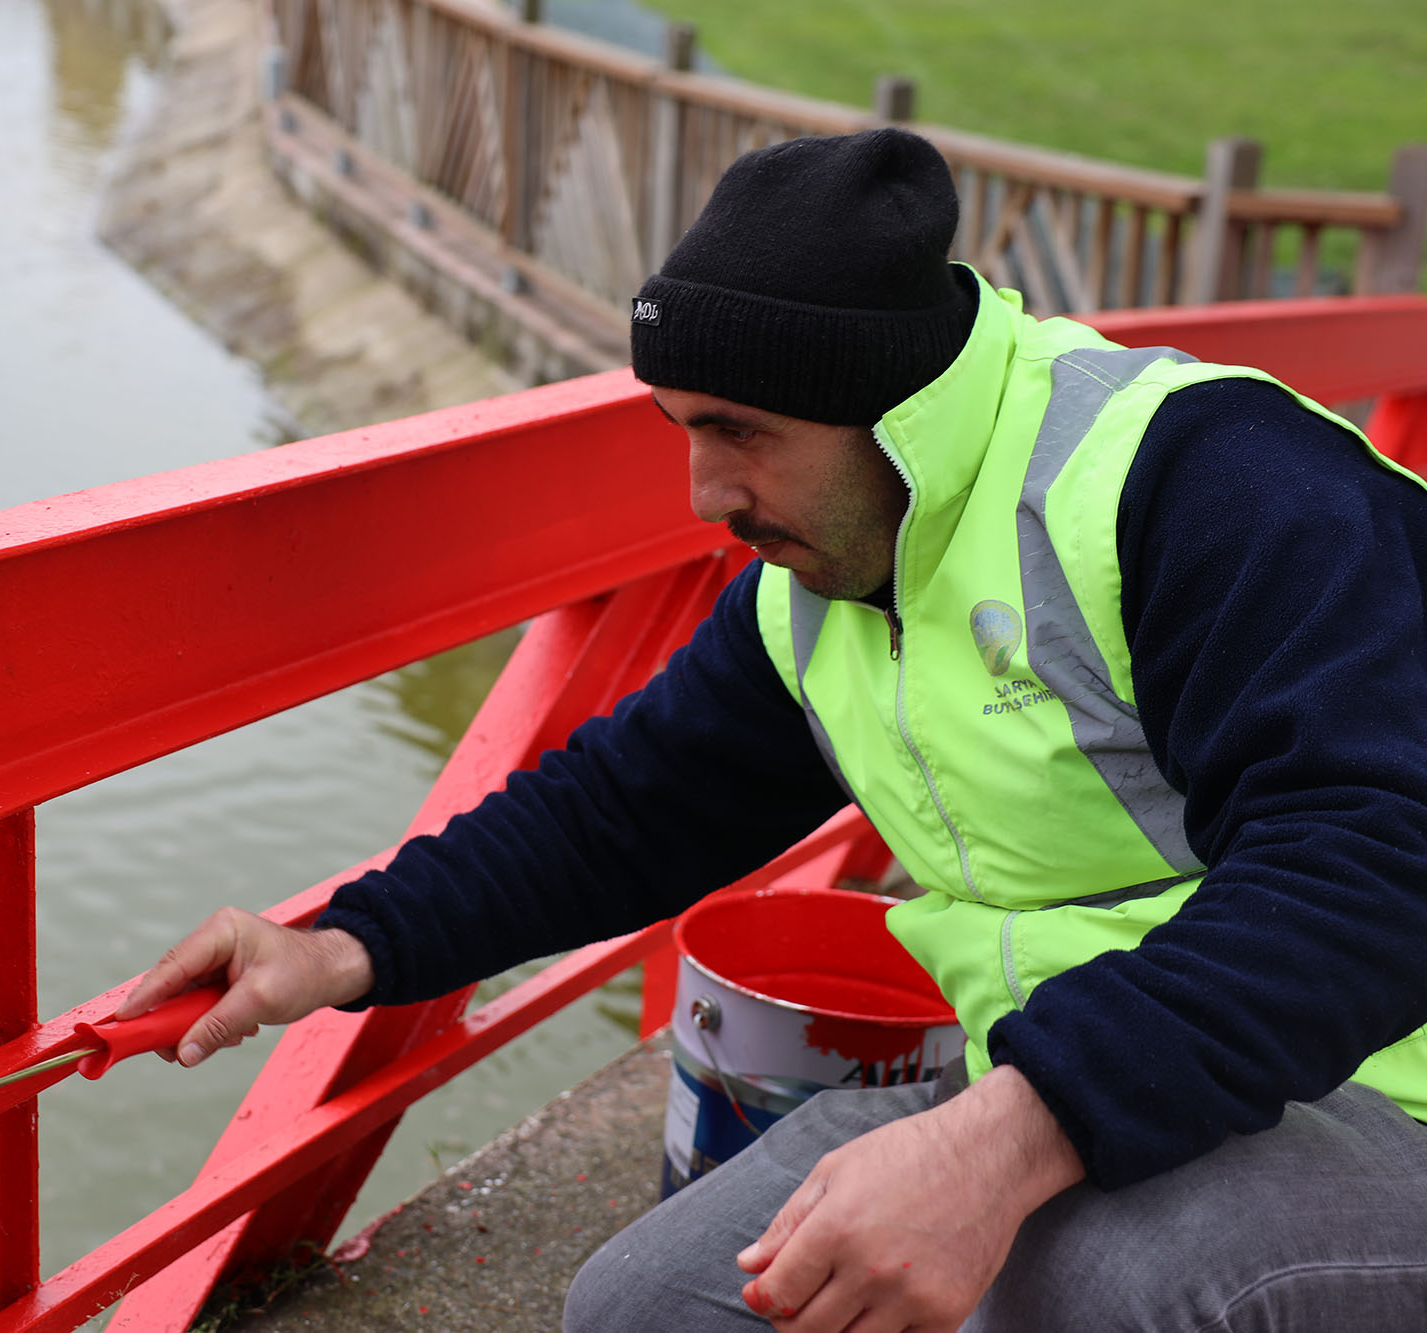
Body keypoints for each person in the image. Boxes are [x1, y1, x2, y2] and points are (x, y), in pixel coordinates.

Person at [119, 128, 1427, 1330]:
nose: (706, 493)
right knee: (651, 1305)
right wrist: (338, 943)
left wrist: (998, 1142)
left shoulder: (1208, 483)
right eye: (683, 429)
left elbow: (1378, 863)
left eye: (742, 432)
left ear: (896, 409)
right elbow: (623, 806)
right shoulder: (823, 586)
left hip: (1380, 1083)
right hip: (1089, 1076)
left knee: (1099, 1284)